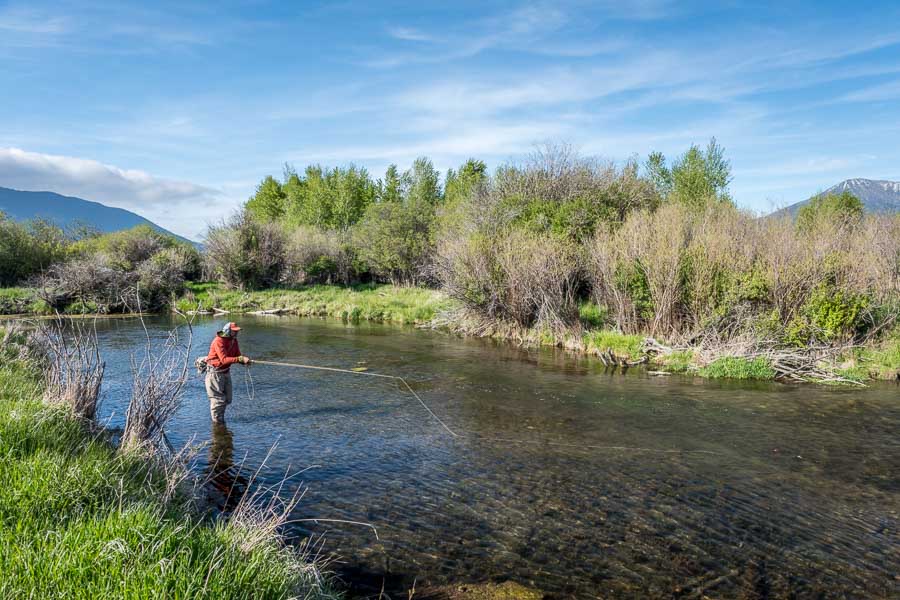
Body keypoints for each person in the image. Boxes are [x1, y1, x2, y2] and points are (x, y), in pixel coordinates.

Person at [205, 322, 251, 423]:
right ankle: (217, 423)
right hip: (215, 373)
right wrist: (240, 359)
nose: (237, 333)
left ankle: (221, 420)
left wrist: (244, 361)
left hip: (225, 372)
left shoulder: (234, 341)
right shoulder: (218, 341)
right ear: (228, 331)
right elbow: (224, 360)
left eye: (237, 331)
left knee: (227, 399)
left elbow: (238, 356)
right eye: (235, 331)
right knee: (218, 400)